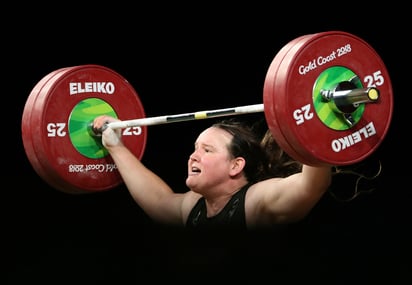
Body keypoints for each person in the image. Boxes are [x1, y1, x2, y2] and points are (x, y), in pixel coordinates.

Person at [92, 115, 332, 230]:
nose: (193, 156)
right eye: (195, 148)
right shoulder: (194, 206)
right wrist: (115, 145)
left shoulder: (255, 201)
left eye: (207, 150)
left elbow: (310, 185)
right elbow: (158, 201)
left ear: (235, 166)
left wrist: (321, 124)